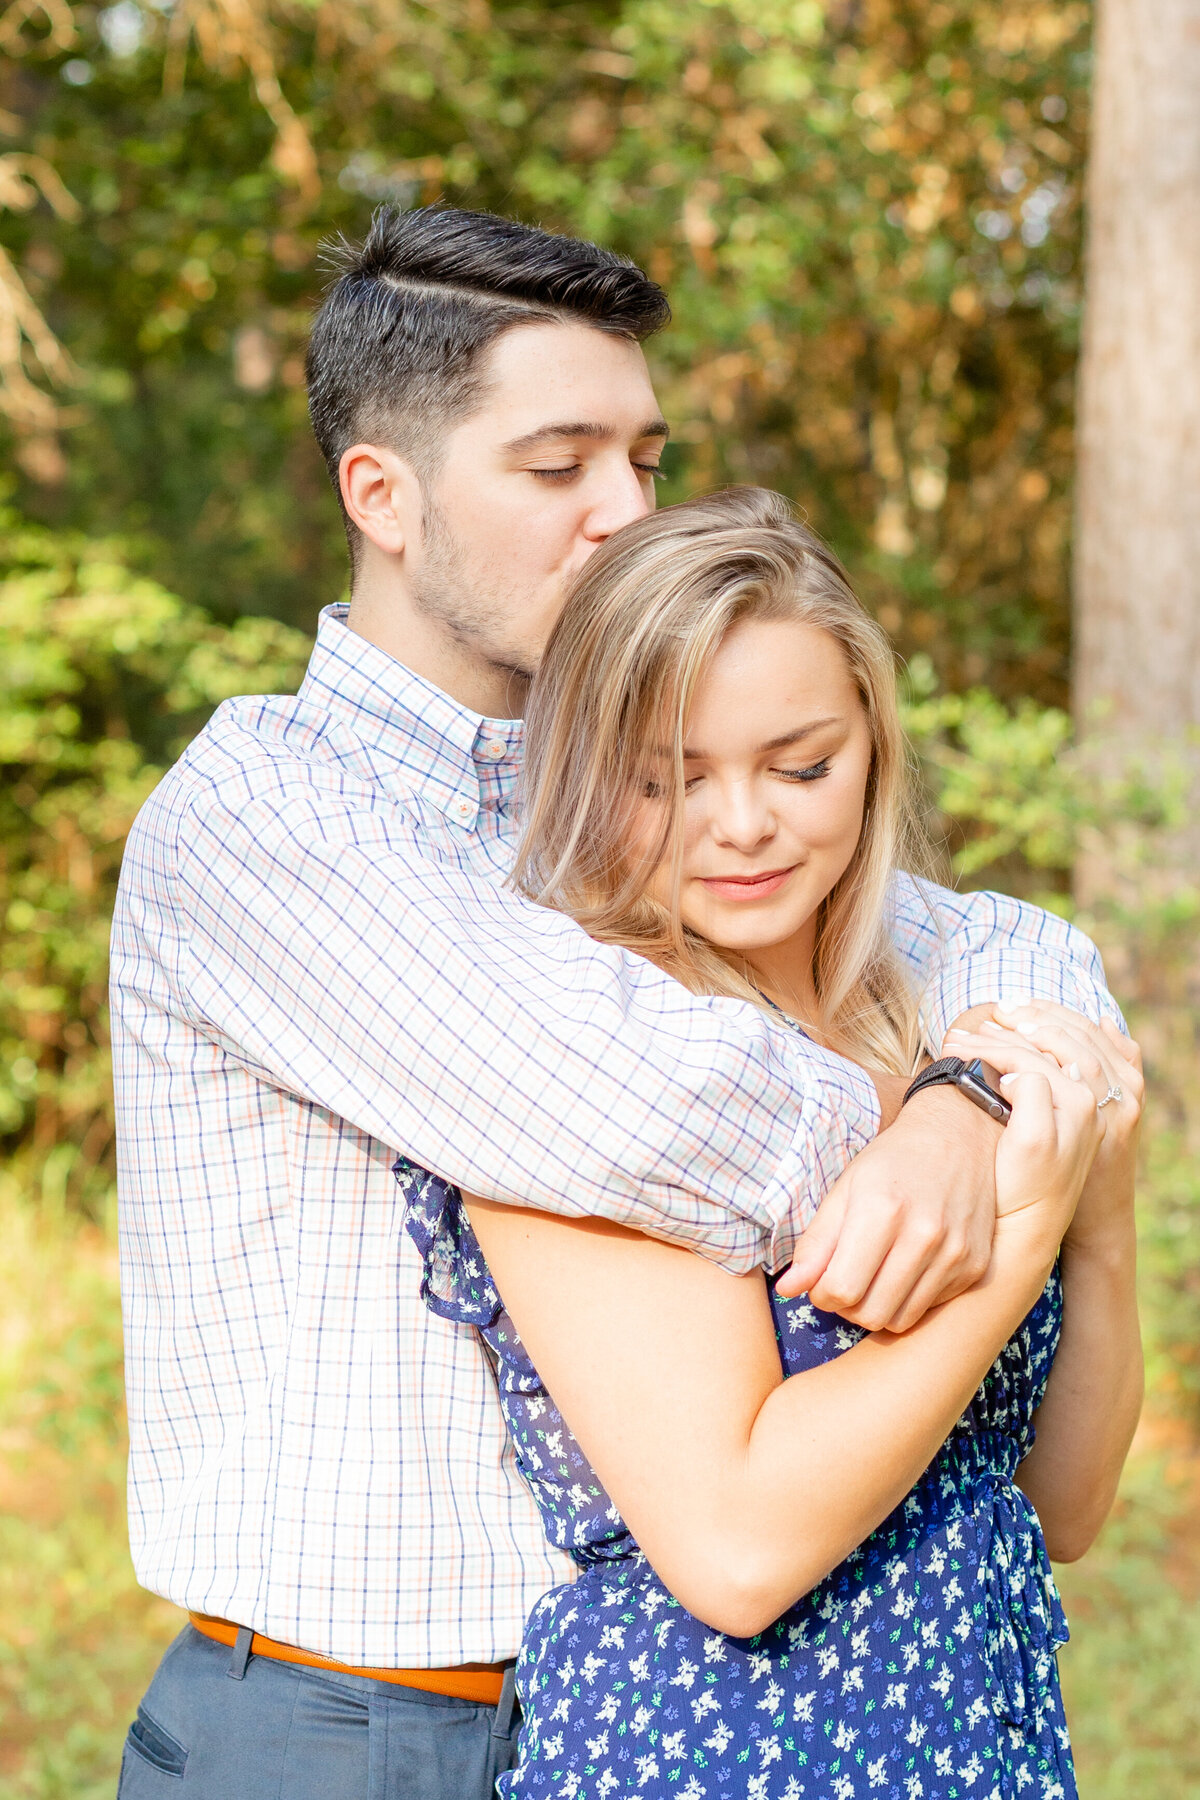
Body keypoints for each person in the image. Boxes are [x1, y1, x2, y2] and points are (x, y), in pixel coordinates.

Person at [110, 209, 1125, 1799]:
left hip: (635, 1708)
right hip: (354, 1726)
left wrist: (975, 1093)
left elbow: (1010, 953)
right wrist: (986, 1141)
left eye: (646, 460)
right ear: (382, 494)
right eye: (558, 465)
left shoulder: (619, 804)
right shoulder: (270, 820)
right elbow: (657, 1106)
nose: (624, 513)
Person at [400, 487, 1143, 1799]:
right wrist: (1026, 1234)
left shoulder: (926, 1030)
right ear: (584, 773)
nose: (744, 824)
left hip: (974, 1736)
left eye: (801, 766)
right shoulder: (581, 1054)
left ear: (871, 745)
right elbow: (734, 1549)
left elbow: (1064, 1509)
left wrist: (1109, 1225)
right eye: (667, 779)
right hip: (714, 1748)